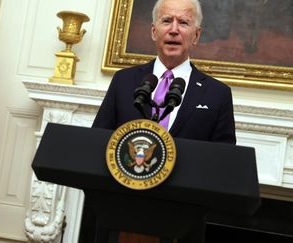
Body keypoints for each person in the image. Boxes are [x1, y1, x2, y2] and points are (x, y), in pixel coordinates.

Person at [80, 0, 236, 242]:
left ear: (196, 35)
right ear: (154, 31)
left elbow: (224, 164)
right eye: (166, 21)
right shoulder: (124, 81)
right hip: (120, 218)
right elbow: (98, 141)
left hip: (180, 224)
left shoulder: (217, 94)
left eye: (183, 22)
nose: (174, 29)